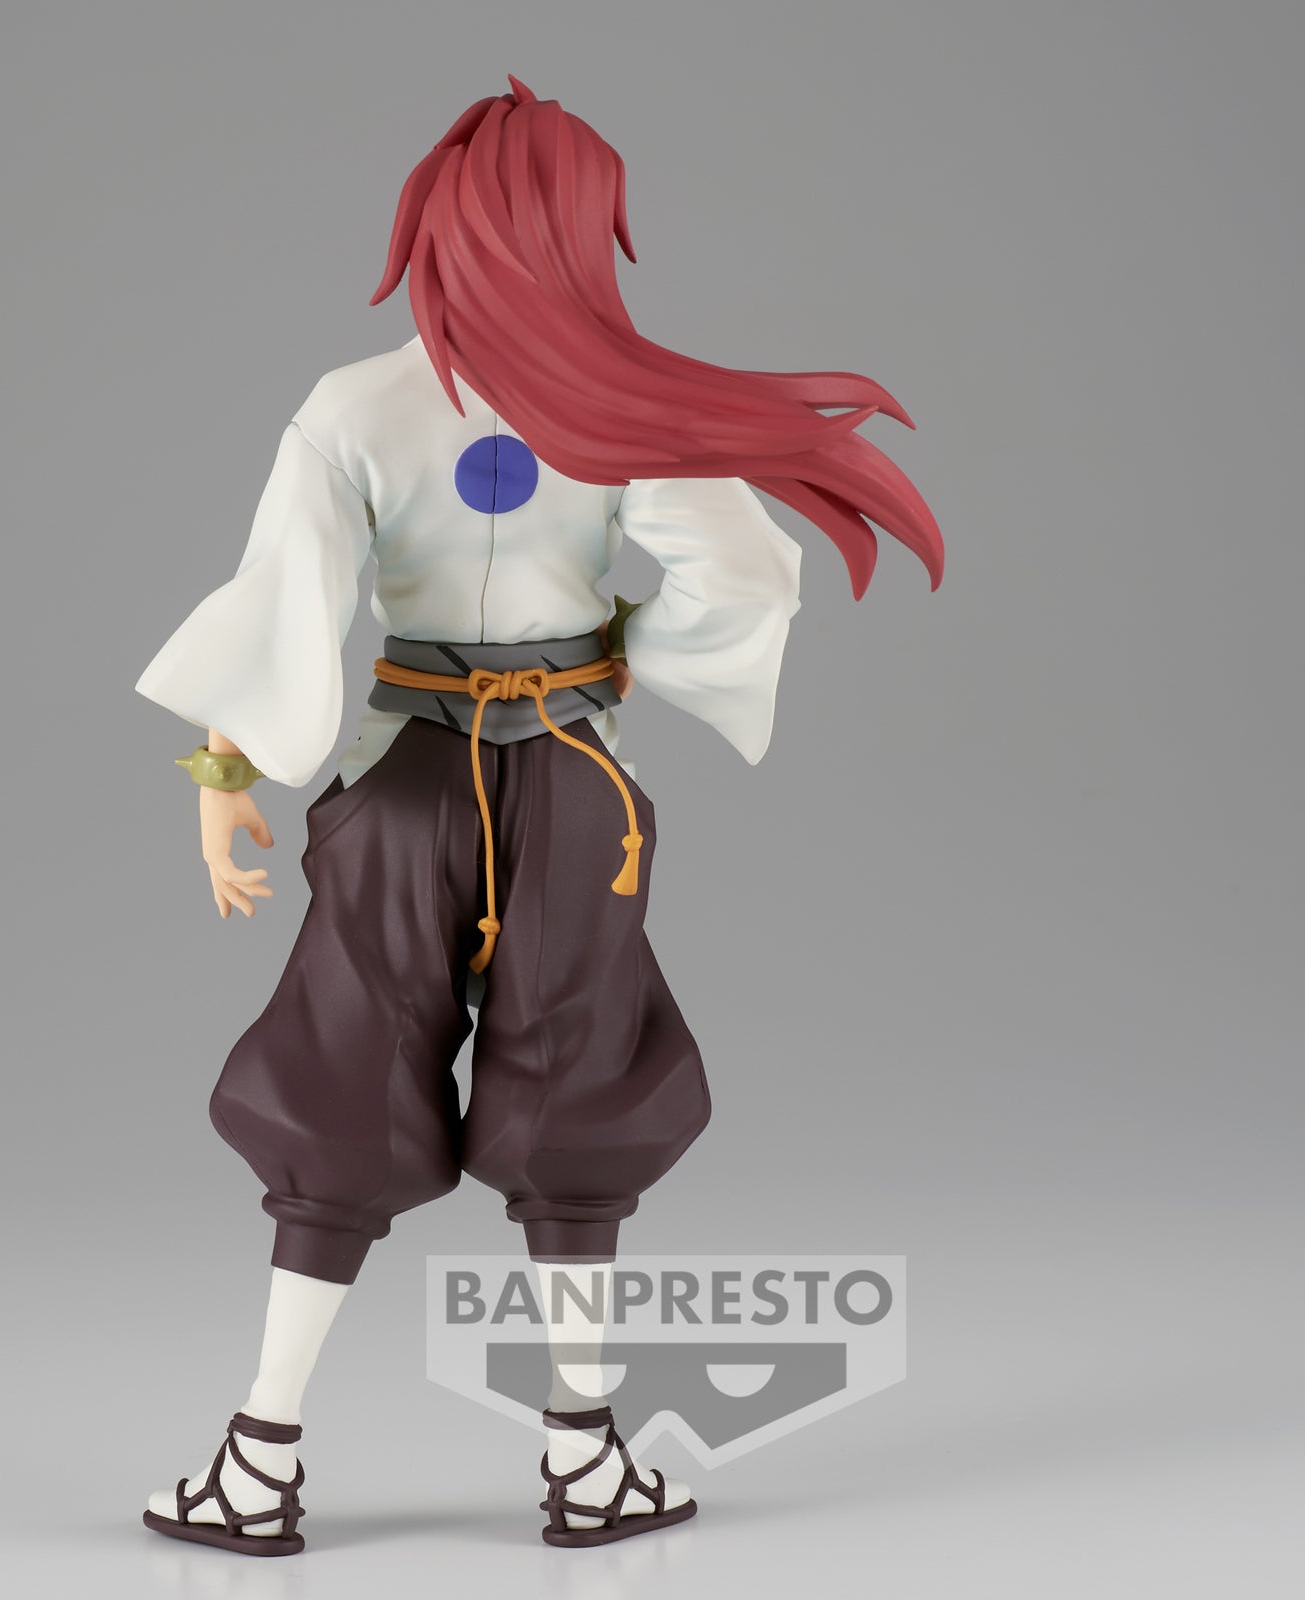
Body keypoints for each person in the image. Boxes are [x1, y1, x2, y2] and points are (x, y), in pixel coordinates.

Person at [135, 76, 942, 1555]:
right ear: (585, 232)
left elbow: (285, 605)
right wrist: (619, 660)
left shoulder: (354, 408)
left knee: (339, 1084)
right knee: (577, 1089)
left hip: (404, 784)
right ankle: (584, 1457)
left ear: (431, 229)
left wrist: (229, 780)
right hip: (573, 786)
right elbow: (741, 576)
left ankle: (259, 1462)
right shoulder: (620, 411)